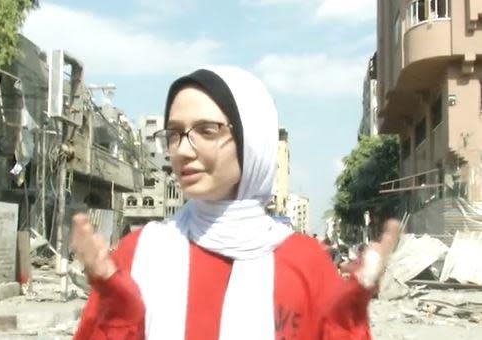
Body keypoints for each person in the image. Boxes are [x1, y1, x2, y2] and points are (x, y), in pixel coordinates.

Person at [70, 66, 400, 340]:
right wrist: (117, 305)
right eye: (174, 133)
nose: (182, 151)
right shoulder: (140, 251)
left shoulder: (306, 262)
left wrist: (352, 308)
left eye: (207, 131)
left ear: (251, 140)